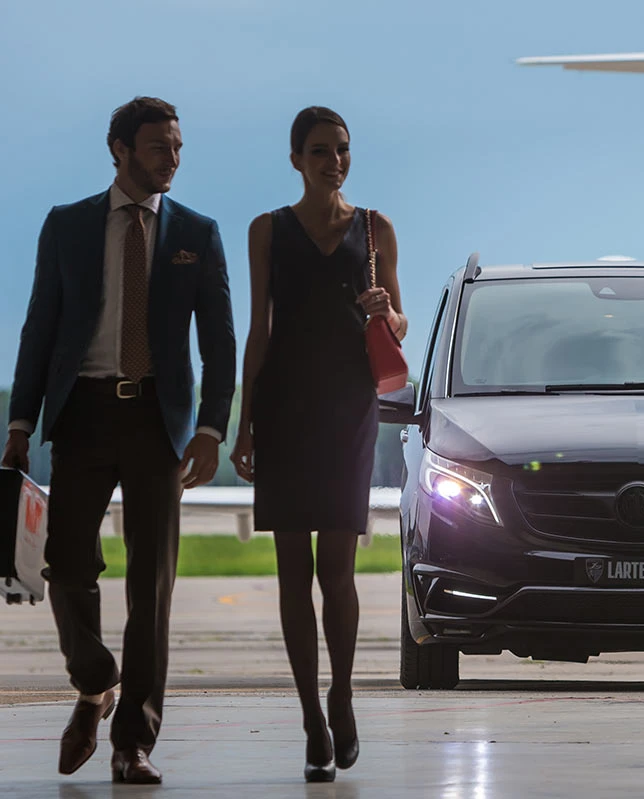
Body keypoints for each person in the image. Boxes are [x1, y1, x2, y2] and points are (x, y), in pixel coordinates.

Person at [1, 97, 236, 785]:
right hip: (83, 414)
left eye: (178, 145)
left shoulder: (197, 231)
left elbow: (219, 344)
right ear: (120, 149)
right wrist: (20, 424)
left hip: (157, 425)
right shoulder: (68, 226)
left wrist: (210, 427)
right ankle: (96, 678)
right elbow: (38, 330)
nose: (172, 158)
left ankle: (133, 739)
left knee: (150, 589)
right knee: (67, 567)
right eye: (159, 146)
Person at [230, 106, 406, 783]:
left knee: (337, 564)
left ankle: (342, 692)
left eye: (341, 149)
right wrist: (246, 424)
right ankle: (310, 715)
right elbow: (258, 330)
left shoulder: (374, 228)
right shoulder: (267, 231)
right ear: (296, 159)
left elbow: (399, 317)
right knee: (290, 571)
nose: (333, 161)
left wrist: (384, 309)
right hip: (283, 408)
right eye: (319, 151)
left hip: (347, 405)